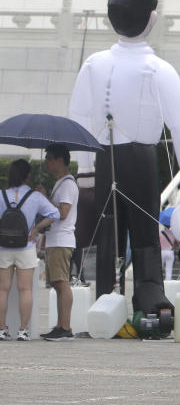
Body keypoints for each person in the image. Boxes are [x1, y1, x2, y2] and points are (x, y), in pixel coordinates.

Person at [69, 0, 180, 314]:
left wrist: (84, 167)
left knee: (107, 233)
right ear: (151, 18)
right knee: (145, 232)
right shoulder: (159, 69)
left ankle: (104, 298)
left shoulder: (93, 64)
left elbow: (79, 117)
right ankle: (148, 297)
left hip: (104, 157)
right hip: (141, 157)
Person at [0, 159, 60, 341]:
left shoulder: (1, 194)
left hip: (3, 247)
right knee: (25, 289)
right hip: (26, 246)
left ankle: (1, 329)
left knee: (3, 289)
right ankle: (23, 330)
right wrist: (35, 229)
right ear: (28, 175)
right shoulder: (35, 196)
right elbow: (55, 214)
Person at [37, 144, 79, 342]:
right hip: (56, 239)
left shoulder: (68, 184)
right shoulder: (60, 183)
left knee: (62, 283)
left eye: (49, 158)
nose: (46, 163)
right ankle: (60, 325)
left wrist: (44, 199)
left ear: (60, 160)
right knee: (57, 283)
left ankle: (65, 327)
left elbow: (62, 213)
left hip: (62, 239)